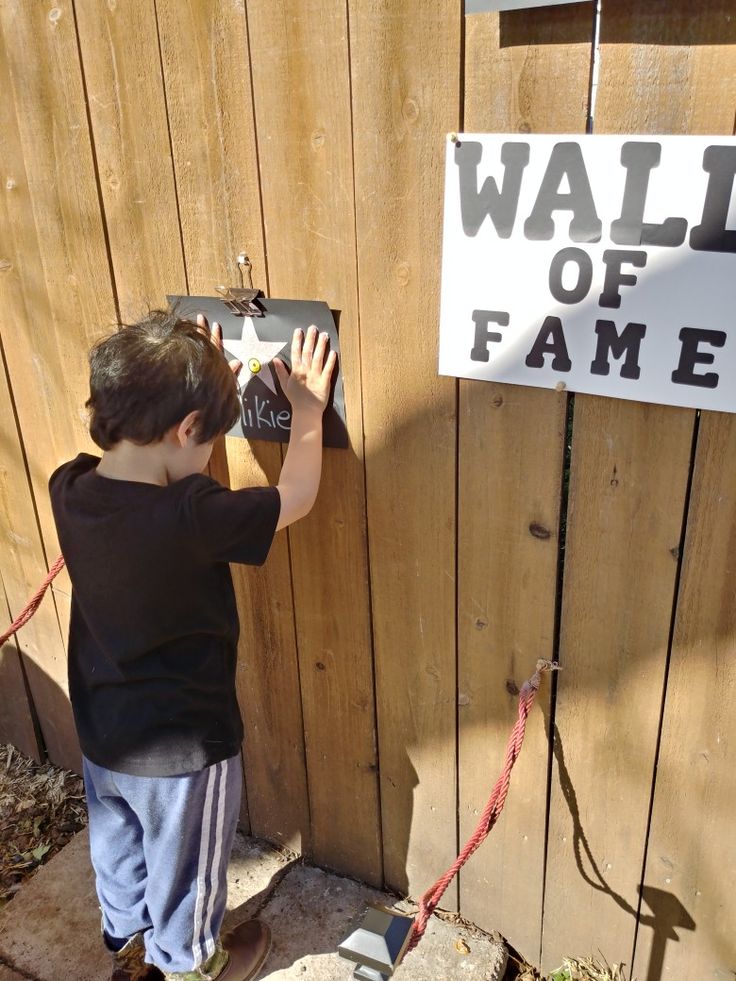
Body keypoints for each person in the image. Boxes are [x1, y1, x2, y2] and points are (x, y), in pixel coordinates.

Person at [48, 309, 336, 981]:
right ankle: (190, 963)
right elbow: (294, 495)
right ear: (185, 429)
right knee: (189, 866)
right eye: (206, 438)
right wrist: (311, 412)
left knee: (118, 844)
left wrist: (196, 383)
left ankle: (127, 939)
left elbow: (156, 458)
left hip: (103, 737)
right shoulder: (192, 517)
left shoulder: (71, 486)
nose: (209, 455)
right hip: (183, 753)